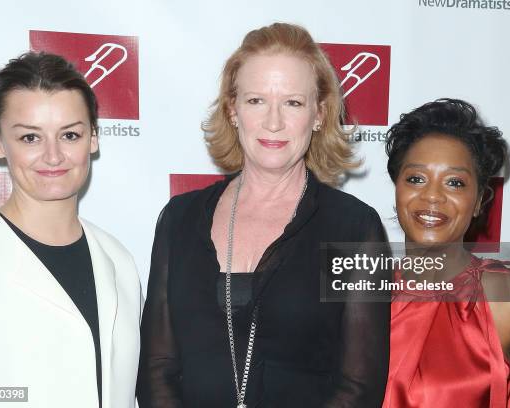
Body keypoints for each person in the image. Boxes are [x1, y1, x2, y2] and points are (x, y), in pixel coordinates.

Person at [137, 22, 390, 408]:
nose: (274, 122)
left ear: (319, 114)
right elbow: (157, 367)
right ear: (232, 110)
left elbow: (359, 387)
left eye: (293, 102)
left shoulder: (356, 229)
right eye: (256, 100)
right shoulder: (179, 219)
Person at [0, 52, 142, 408]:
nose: (54, 156)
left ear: (93, 138)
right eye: (30, 138)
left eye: (70, 135)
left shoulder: (118, 259)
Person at [383, 98, 510, 407]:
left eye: (455, 183)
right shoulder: (361, 294)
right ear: (397, 187)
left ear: (480, 201)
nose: (432, 195)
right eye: (416, 178)